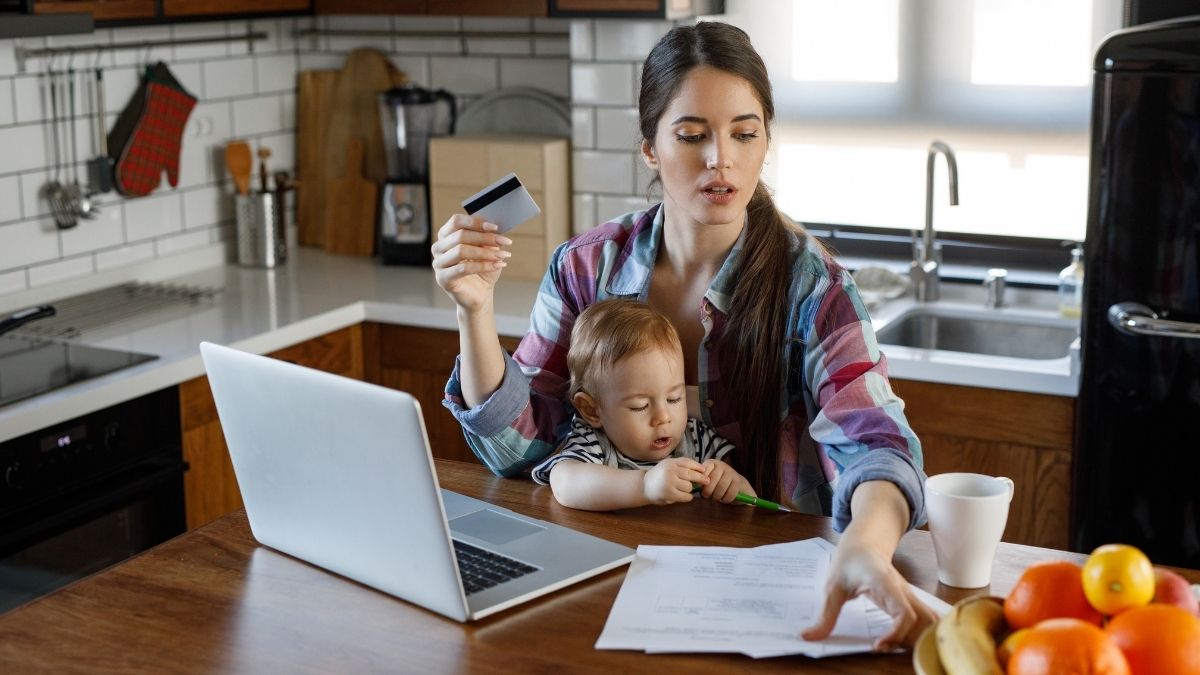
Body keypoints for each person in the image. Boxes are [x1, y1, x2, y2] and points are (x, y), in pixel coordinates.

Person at [432, 21, 935, 650]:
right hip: (611, 578)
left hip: (768, 597)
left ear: (764, 144)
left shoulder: (815, 288)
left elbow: (878, 447)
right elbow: (522, 450)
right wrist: (473, 311)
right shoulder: (588, 267)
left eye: (743, 134)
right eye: (692, 135)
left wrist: (865, 545)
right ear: (650, 148)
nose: (719, 159)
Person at [529, 299, 754, 510]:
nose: (663, 417)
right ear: (592, 409)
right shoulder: (594, 441)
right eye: (640, 406)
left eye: (674, 398)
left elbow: (747, 500)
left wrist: (732, 484)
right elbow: (565, 484)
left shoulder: (697, 439)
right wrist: (645, 486)